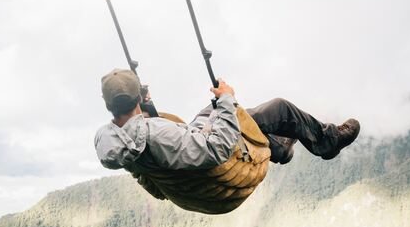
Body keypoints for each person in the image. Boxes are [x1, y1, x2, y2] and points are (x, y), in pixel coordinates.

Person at [94, 68, 360, 173]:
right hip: (212, 154)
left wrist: (146, 110)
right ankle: (327, 141)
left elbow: (149, 138)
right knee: (279, 109)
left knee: (208, 110)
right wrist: (227, 99)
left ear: (108, 105)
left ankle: (279, 148)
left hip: (187, 141)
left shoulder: (112, 141)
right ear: (136, 98)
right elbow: (216, 148)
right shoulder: (158, 135)